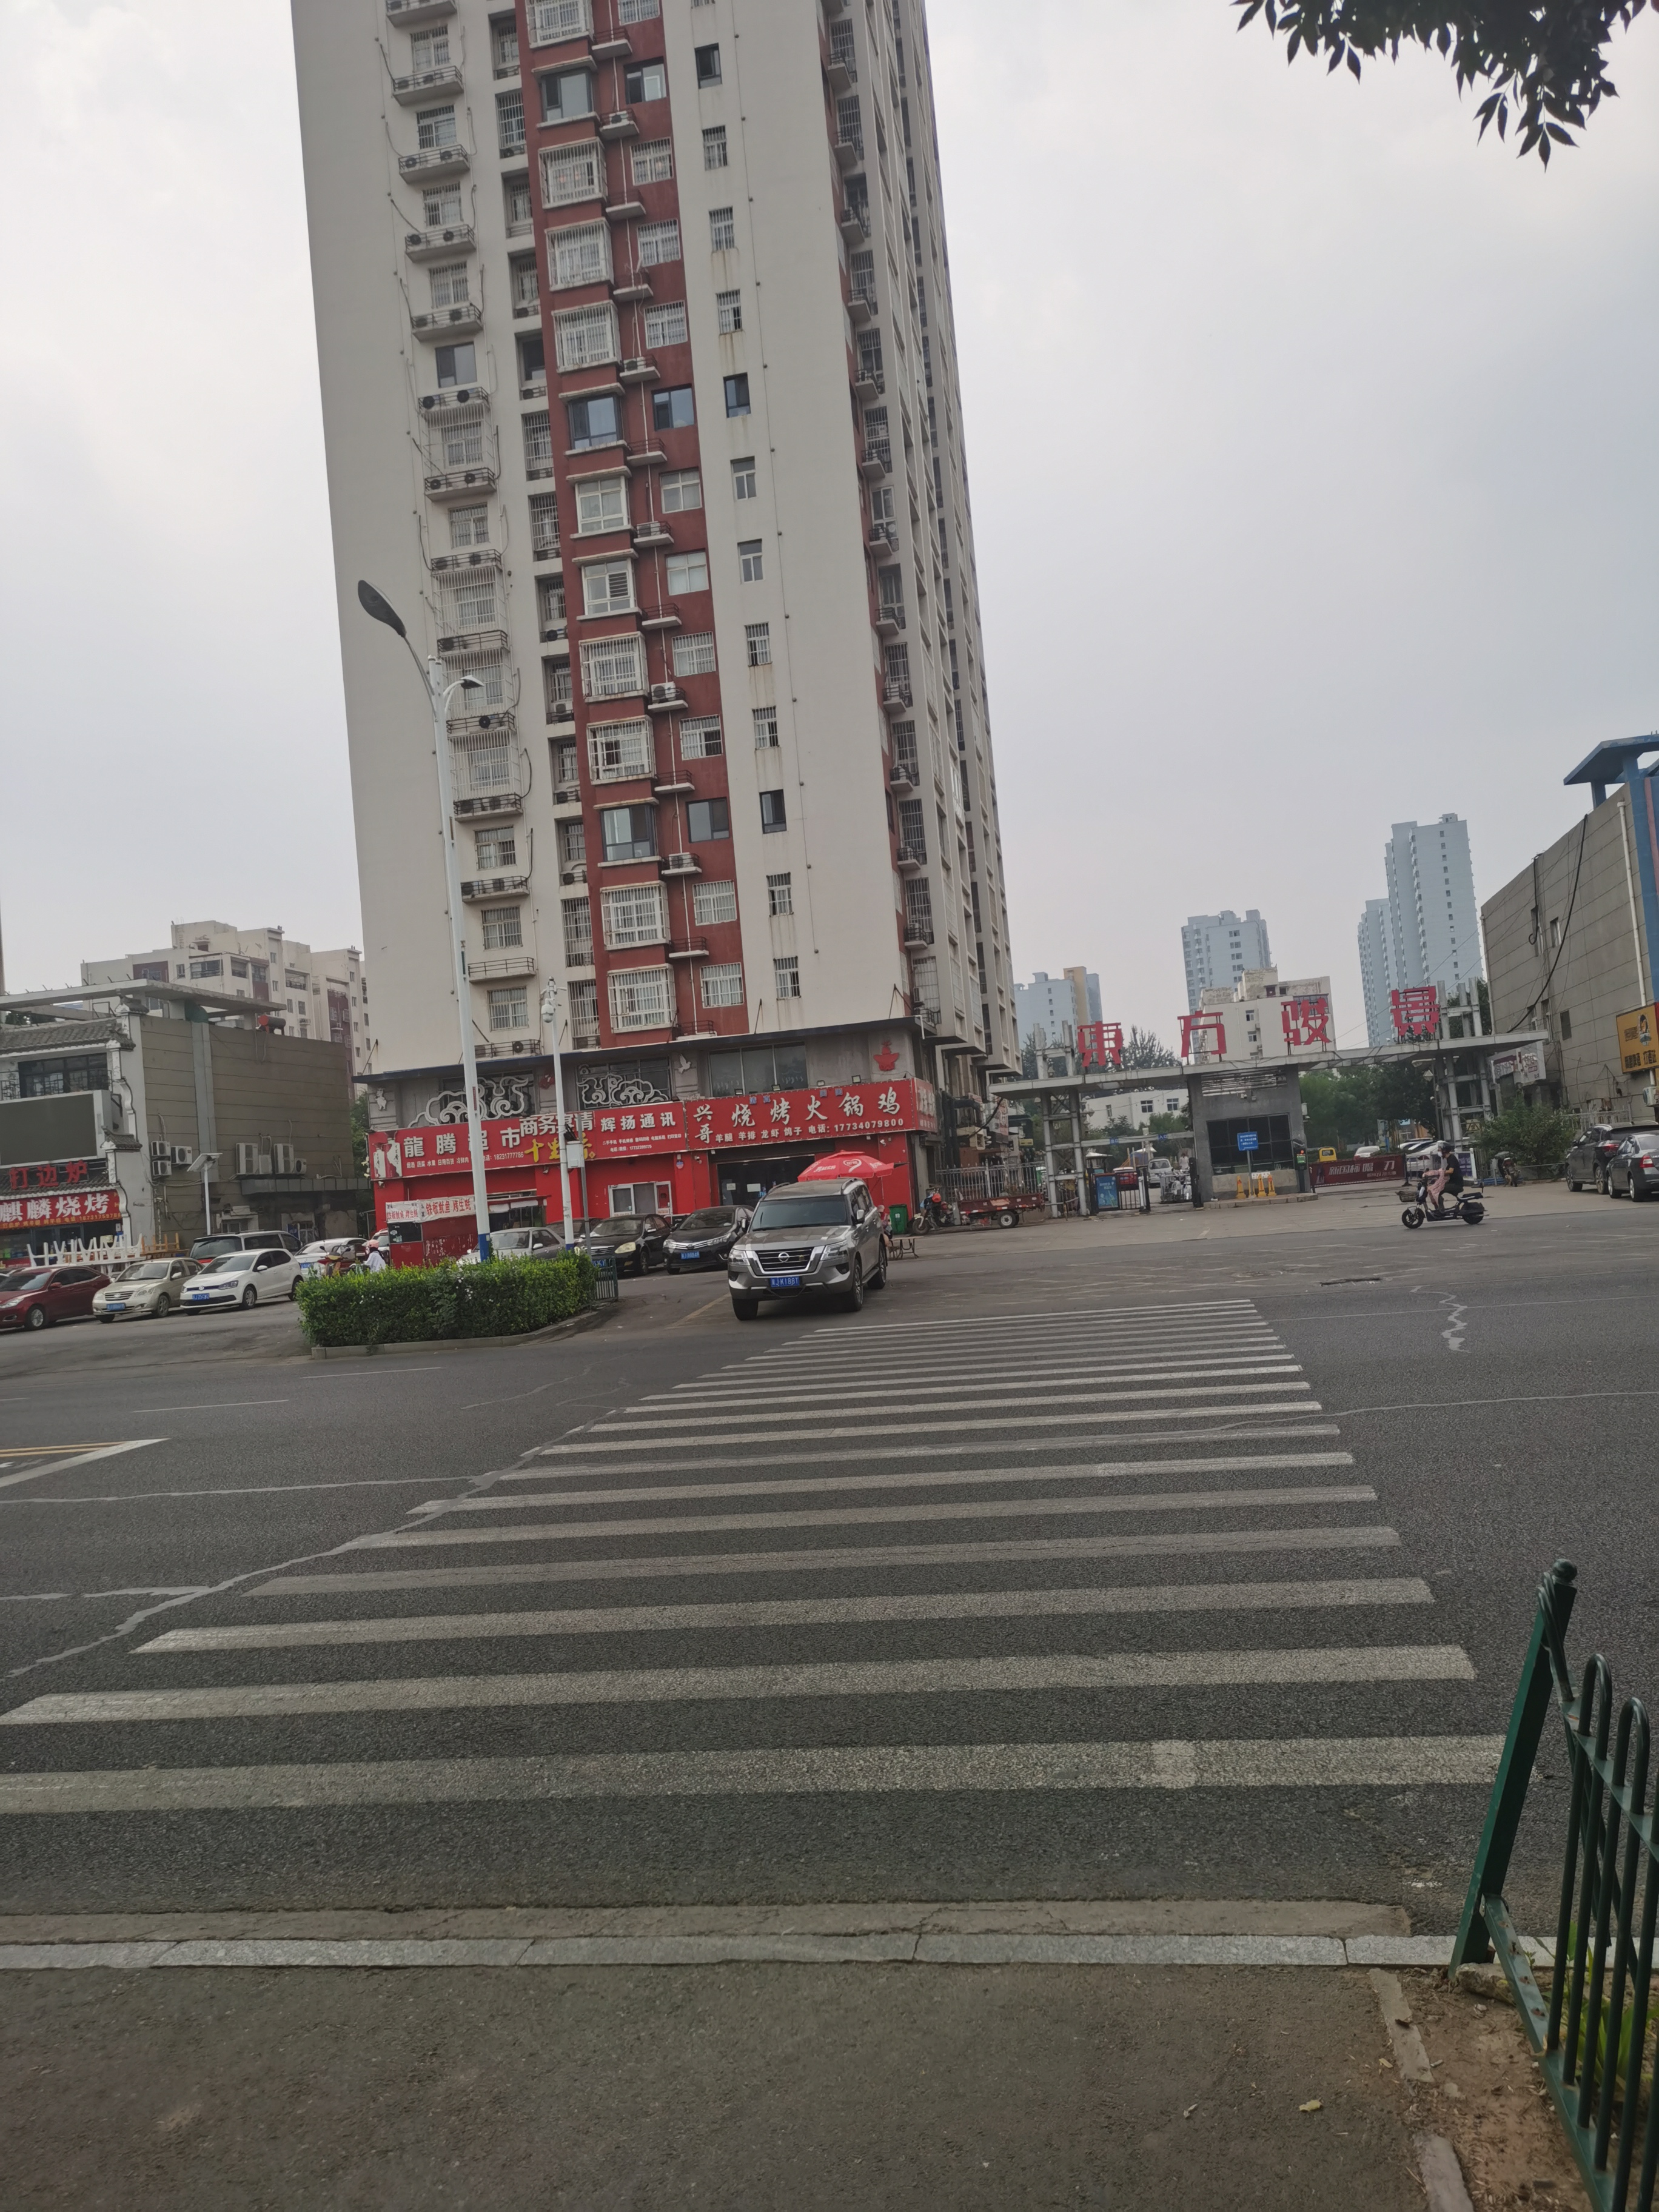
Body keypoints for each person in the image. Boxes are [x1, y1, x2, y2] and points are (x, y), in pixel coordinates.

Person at [1427, 1145, 1464, 1217]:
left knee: (1436, 1191)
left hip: (1456, 1185)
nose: (1439, 1152)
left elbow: (1451, 1171)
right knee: (1434, 1189)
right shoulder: (1449, 1159)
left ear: (1445, 1151)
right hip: (1452, 1183)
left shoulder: (1452, 1158)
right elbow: (1445, 1173)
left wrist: (1441, 1173)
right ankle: (1439, 1209)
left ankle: (1441, 1211)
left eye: (1440, 1150)